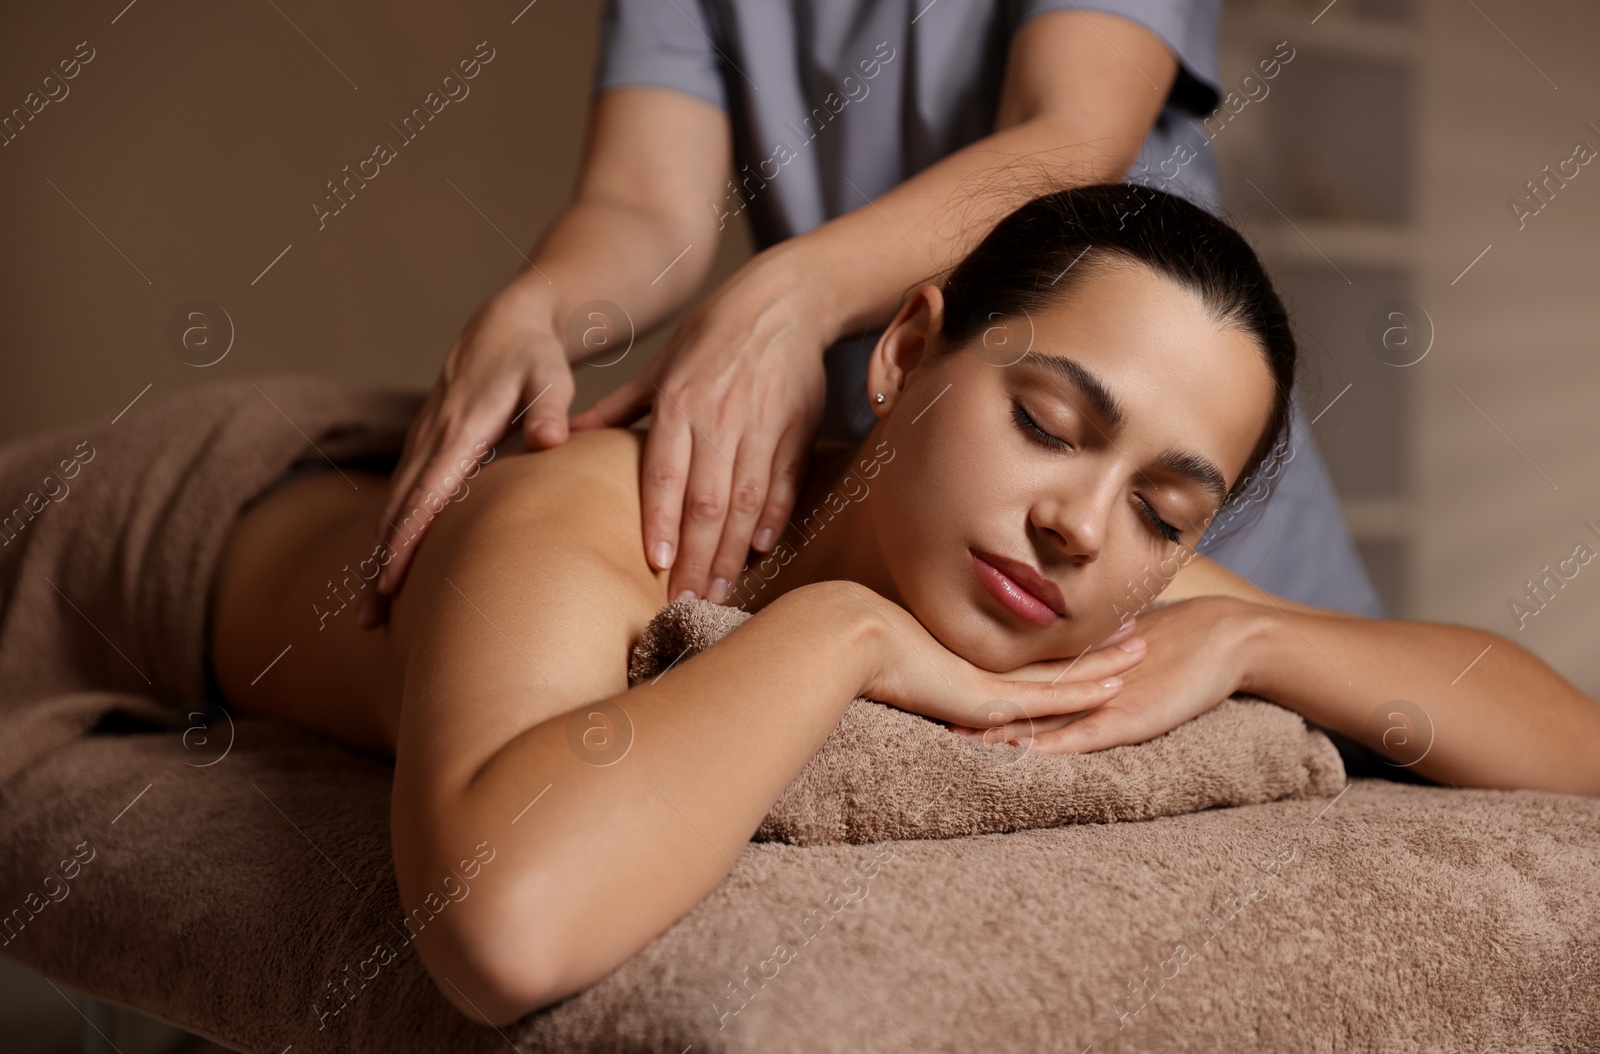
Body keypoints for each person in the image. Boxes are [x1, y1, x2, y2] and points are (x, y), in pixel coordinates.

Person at [213, 186, 1599, 1026]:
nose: (1079, 522)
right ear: (909, 350)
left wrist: (1258, 631)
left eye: (1166, 514)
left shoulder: (1086, 560)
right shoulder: (595, 516)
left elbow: (1574, 749)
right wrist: (840, 633)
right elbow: (502, 924)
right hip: (208, 504)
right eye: (1048, 420)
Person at [356, 0, 1383, 632]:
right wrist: (535, 309)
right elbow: (642, 207)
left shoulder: (1138, 515)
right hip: (935, 475)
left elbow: (1067, 134)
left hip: (1188, 485)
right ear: (907, 343)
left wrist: (791, 292)